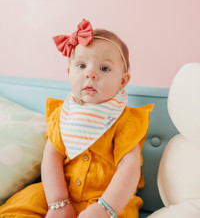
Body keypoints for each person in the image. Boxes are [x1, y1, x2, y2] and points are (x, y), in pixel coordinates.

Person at [0, 19, 153, 218]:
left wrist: (105, 208)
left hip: (107, 198)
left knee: (123, 212)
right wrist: (57, 203)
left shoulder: (126, 121)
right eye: (81, 65)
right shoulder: (62, 114)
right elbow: (52, 157)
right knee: (20, 205)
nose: (90, 74)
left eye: (104, 69)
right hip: (61, 191)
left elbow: (129, 167)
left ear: (122, 81)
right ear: (69, 72)